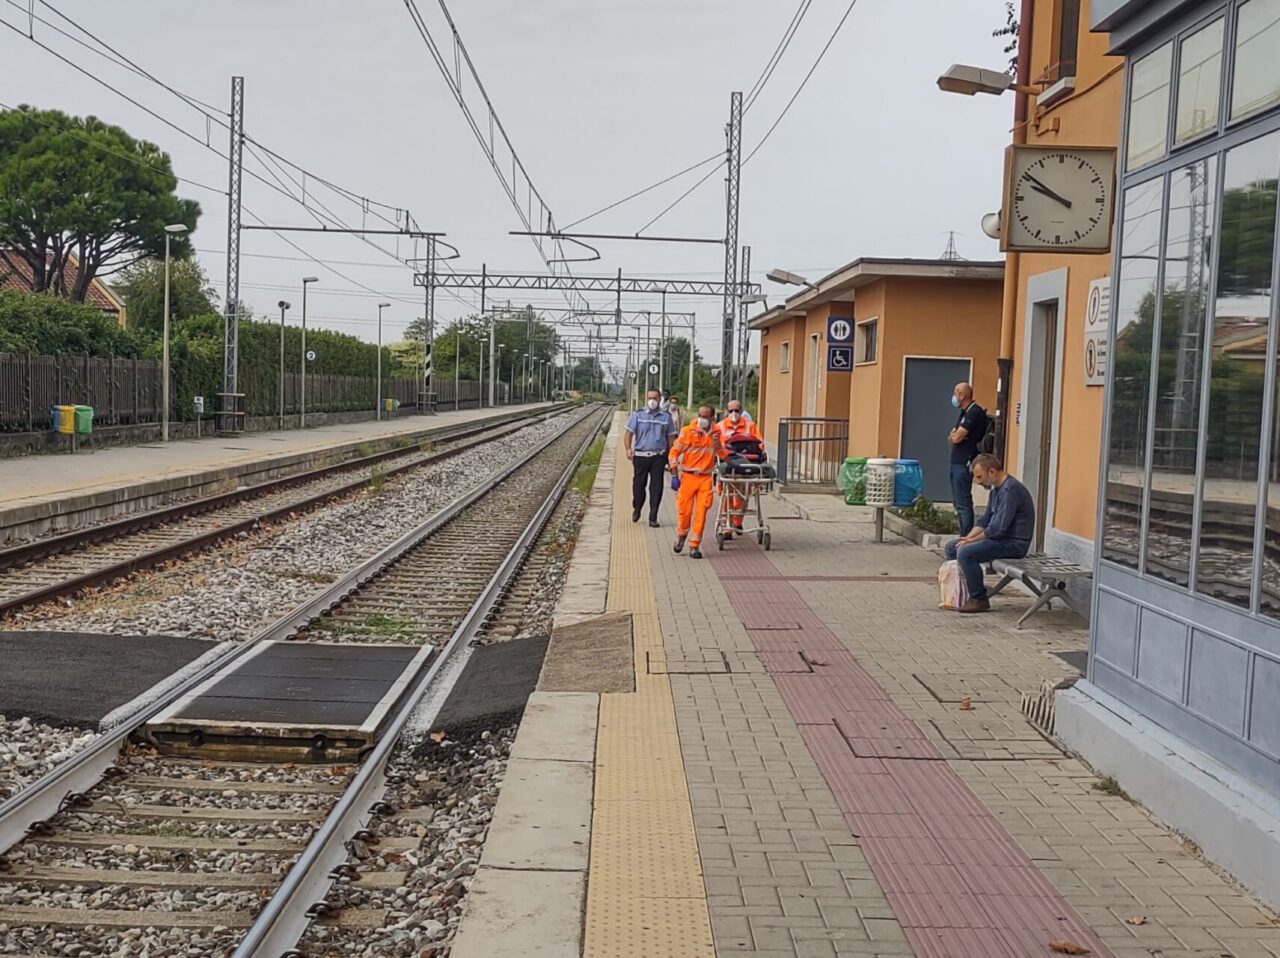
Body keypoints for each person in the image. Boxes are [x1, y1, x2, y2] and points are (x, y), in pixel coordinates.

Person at [943, 454, 1035, 613]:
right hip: (999, 540)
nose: (976, 481)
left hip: (1013, 544)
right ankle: (970, 587)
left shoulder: (1010, 490)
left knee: (965, 553)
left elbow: (998, 529)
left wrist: (971, 542)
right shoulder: (996, 490)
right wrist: (968, 538)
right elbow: (985, 519)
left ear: (992, 472)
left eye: (979, 476)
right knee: (953, 547)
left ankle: (979, 599)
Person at [669, 404, 728, 559]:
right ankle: (681, 535)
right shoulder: (688, 431)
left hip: (705, 478)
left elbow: (723, 455)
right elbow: (674, 452)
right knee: (684, 512)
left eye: (705, 416)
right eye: (700, 415)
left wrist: (718, 445)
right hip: (688, 477)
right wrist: (674, 474)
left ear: (712, 418)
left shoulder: (717, 432)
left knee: (701, 512)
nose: (701, 418)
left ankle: (694, 545)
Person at [624, 388, 678, 527]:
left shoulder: (666, 417)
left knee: (656, 487)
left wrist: (671, 456)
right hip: (640, 456)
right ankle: (637, 507)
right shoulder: (638, 415)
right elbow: (629, 434)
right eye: (650, 398)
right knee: (638, 486)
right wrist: (628, 449)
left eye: (655, 398)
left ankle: (653, 516)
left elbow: (671, 438)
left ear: (660, 399)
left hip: (658, 457)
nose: (652, 401)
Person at [947, 382, 989, 535]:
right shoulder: (964, 413)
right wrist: (954, 436)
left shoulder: (974, 413)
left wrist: (955, 436)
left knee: (963, 503)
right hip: (956, 462)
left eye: (955, 393)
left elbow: (956, 437)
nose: (953, 396)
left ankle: (965, 537)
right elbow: (951, 437)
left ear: (962, 395)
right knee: (958, 503)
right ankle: (963, 534)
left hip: (964, 463)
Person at [716, 400, 763, 533]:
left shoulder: (750, 426)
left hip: (746, 466)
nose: (733, 413)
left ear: (741, 411)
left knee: (743, 495)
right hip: (728, 465)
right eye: (731, 410)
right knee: (727, 496)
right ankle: (727, 525)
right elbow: (716, 447)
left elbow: (760, 444)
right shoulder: (720, 426)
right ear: (727, 411)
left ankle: (737, 522)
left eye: (736, 410)